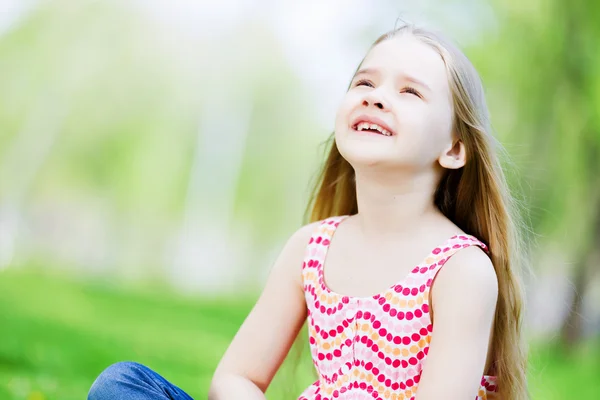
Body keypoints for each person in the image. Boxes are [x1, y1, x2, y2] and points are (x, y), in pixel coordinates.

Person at [88, 23, 528, 400]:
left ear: (454, 148)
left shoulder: (461, 269)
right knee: (122, 384)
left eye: (410, 91)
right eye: (364, 83)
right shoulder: (311, 248)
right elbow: (235, 377)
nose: (375, 98)